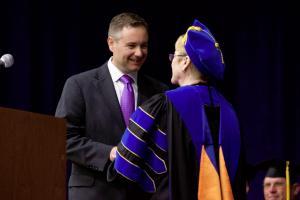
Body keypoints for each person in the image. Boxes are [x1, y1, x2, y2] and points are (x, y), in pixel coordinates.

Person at [112, 19, 246, 199]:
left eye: (173, 56)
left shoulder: (162, 106)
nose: (170, 62)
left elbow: (124, 165)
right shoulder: (230, 112)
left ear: (185, 62)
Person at [55, 12, 168, 200]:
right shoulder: (79, 85)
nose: (139, 53)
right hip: (94, 193)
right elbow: (63, 140)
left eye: (144, 45)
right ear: (111, 43)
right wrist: (111, 153)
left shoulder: (158, 92)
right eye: (131, 45)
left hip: (141, 194)